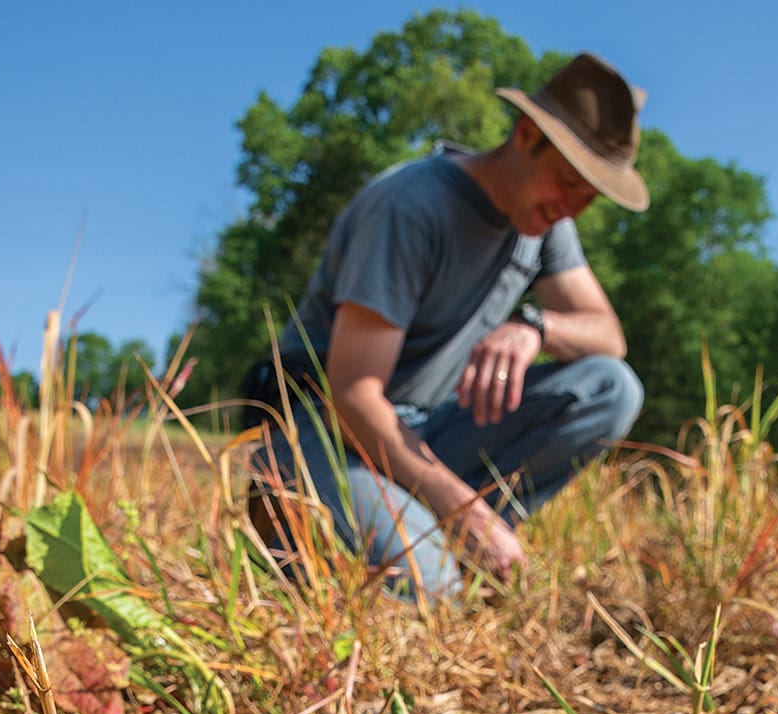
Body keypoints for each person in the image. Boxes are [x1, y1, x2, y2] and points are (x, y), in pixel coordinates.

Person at [249, 52, 648, 599]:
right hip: (330, 429)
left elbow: (609, 336)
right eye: (568, 182)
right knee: (427, 588)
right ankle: (300, 510)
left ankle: (446, 539)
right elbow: (352, 397)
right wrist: (462, 509)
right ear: (527, 133)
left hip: (428, 430)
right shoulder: (412, 208)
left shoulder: (545, 219)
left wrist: (534, 327)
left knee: (609, 386)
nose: (573, 208)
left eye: (589, 197)